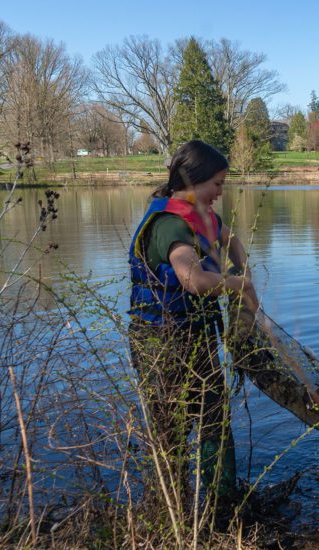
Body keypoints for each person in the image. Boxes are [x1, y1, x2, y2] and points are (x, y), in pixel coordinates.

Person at [127, 140, 259, 515]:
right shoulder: (169, 224)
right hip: (162, 342)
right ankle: (173, 514)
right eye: (217, 183)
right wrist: (241, 286)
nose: (220, 192)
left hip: (197, 336)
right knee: (171, 431)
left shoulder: (201, 215)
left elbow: (231, 239)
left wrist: (240, 267)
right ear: (195, 179)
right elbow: (194, 280)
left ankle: (222, 507)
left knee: (215, 420)